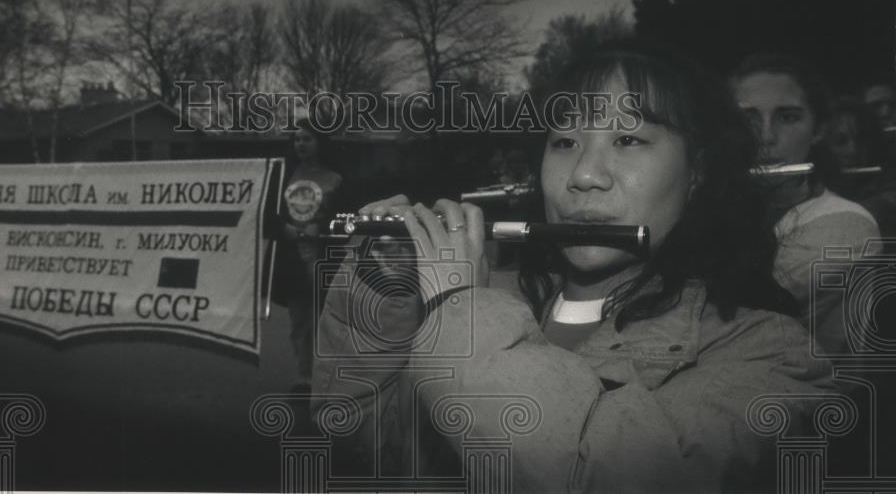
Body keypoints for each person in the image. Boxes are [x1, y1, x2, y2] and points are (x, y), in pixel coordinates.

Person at [312, 43, 835, 492]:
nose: (583, 175)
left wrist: (460, 311)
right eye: (564, 142)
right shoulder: (498, 298)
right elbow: (368, 437)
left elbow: (596, 476)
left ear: (698, 172)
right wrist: (389, 292)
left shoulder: (771, 354)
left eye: (628, 140)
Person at [731, 54, 881, 355]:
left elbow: (732, 314)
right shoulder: (733, 208)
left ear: (820, 129)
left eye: (787, 117)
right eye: (748, 119)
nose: (766, 136)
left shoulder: (847, 226)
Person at [276, 118, 343, 394]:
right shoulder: (284, 175)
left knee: (325, 319)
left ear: (320, 142)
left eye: (307, 138)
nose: (300, 144)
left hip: (323, 256)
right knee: (299, 319)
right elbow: (270, 213)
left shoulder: (336, 178)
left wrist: (323, 226)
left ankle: (326, 377)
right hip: (292, 257)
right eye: (296, 139)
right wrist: (284, 227)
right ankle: (304, 376)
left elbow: (346, 216)